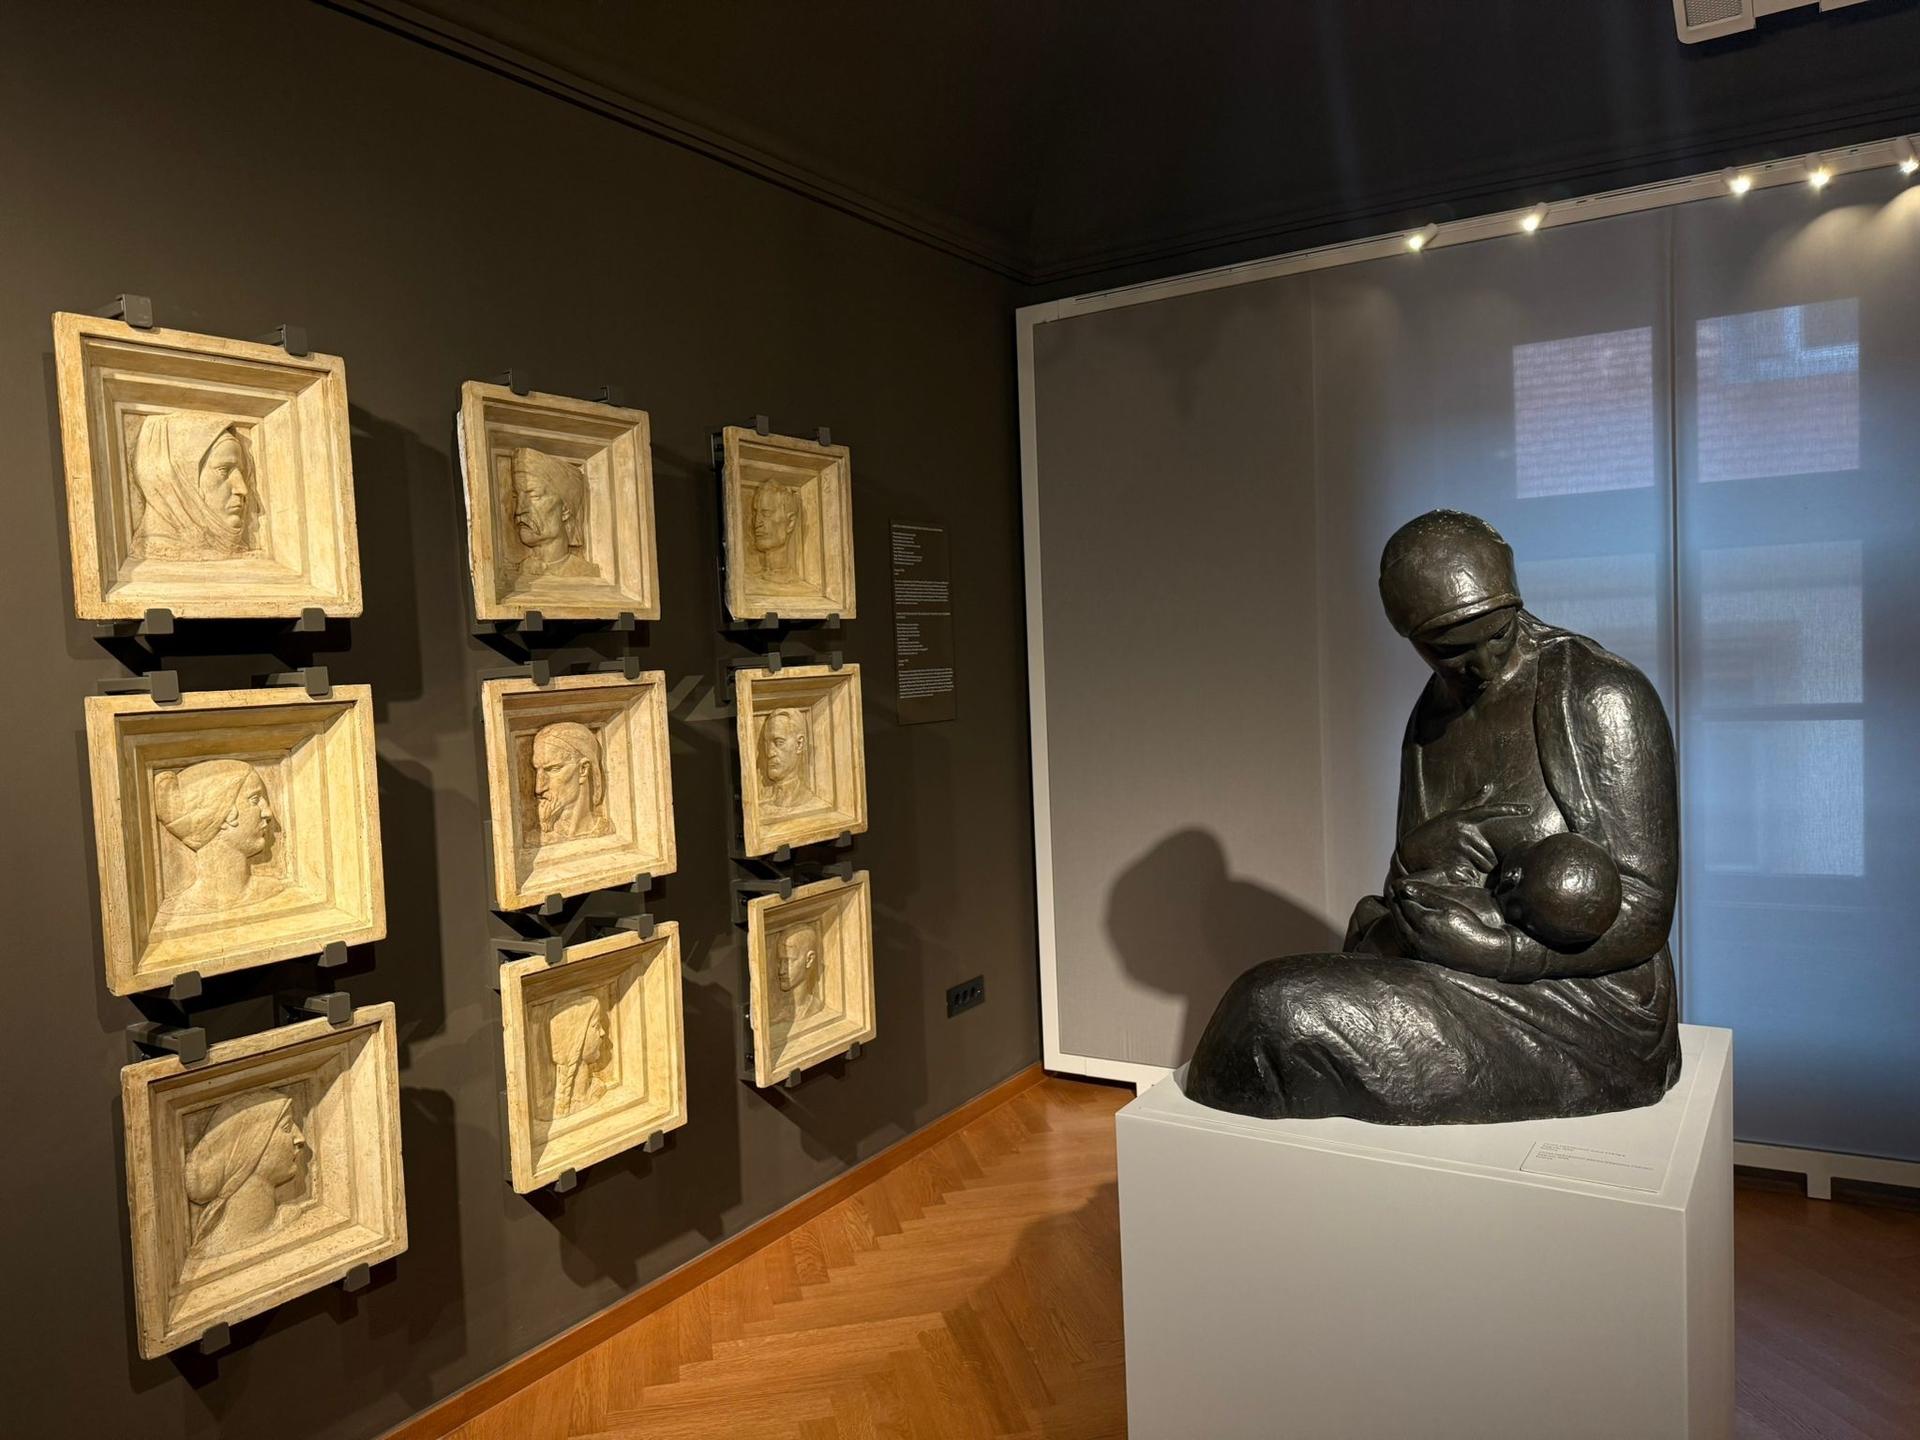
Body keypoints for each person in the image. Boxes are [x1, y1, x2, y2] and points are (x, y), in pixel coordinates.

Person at [1185, 510, 1681, 1125]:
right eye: (1450, 651)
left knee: (1276, 1011)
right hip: (1456, 960)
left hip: (1579, 997)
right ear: (1412, 639)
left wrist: (1504, 953)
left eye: (1497, 634)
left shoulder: (1599, 695)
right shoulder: (1431, 721)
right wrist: (1424, 864)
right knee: (1265, 1001)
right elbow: (1418, 883)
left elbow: (1645, 909)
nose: (1483, 663)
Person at [184, 1091, 307, 1257]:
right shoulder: (222, 1249)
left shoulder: (286, 1217)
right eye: (286, 1127)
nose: (300, 1138)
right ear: (251, 1149)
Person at [153, 759, 279, 916]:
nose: (267, 813)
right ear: (223, 814)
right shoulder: (177, 912)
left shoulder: (274, 890)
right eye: (254, 799)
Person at [129, 411, 255, 559]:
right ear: (176, 478)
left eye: (241, 473)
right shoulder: (158, 550)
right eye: (224, 470)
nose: (242, 489)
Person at [510, 447, 598, 579]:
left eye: (534, 496)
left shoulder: (585, 574)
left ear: (565, 509)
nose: (519, 510)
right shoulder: (514, 574)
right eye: (516, 497)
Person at [530, 722, 608, 840]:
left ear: (583, 769)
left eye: (553, 769)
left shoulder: (603, 830)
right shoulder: (533, 839)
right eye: (537, 770)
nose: (539, 788)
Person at [546, 994, 611, 1117]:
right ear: (577, 1039)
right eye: (596, 1026)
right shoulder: (547, 1110)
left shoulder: (597, 1089)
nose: (602, 1033)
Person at [757, 710, 823, 812]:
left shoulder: (812, 800)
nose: (769, 753)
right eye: (766, 744)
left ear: (799, 744)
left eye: (779, 742)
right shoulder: (762, 806)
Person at [747, 480, 804, 582]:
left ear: (790, 523)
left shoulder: (802, 584)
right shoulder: (749, 581)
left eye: (766, 513)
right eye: (755, 514)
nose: (757, 522)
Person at [773, 923, 825, 1025]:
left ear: (809, 960)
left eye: (788, 961)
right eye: (779, 961)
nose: (781, 970)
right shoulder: (778, 1014)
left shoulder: (814, 1006)